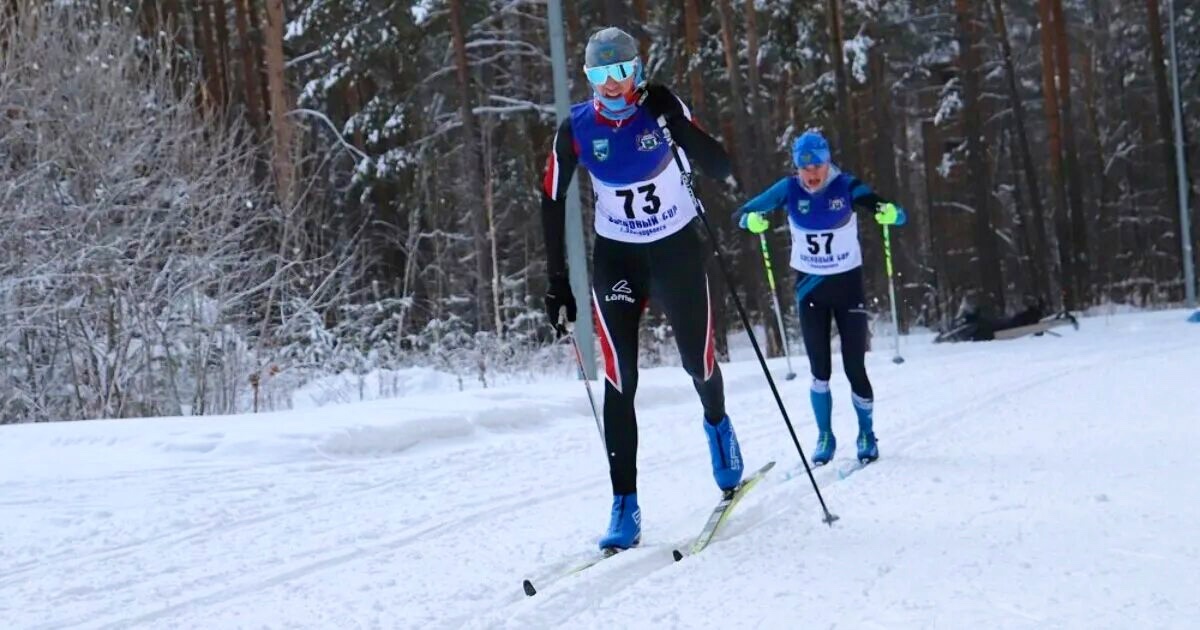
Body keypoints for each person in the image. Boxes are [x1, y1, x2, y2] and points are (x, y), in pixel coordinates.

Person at [539, 27, 743, 551]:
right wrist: (557, 282)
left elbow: (721, 167)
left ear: (637, 71)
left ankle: (718, 425)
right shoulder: (577, 129)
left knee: (697, 363)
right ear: (588, 79)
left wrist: (675, 122)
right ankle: (624, 503)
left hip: (674, 250)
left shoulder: (661, 105)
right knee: (619, 377)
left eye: (621, 72)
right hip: (619, 258)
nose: (611, 84)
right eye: (599, 74)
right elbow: (551, 200)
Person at [733, 130, 906, 466]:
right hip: (810, 291)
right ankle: (825, 435)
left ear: (828, 163)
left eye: (818, 167)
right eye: (805, 168)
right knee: (819, 371)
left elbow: (893, 210)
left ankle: (866, 433)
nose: (812, 175)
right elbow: (742, 213)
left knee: (855, 366)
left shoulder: (848, 186)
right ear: (797, 167)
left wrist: (892, 215)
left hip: (848, 288)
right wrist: (750, 220)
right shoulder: (788, 189)